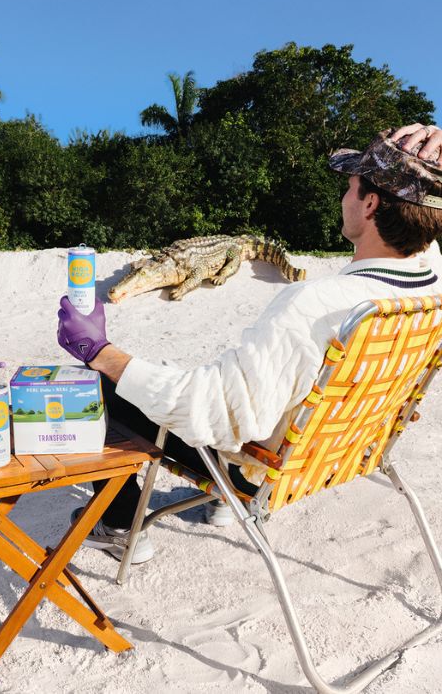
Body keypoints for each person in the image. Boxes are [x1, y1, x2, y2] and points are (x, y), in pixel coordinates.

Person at [56, 124, 442, 564]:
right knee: (255, 373)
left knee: (100, 383)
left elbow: (208, 410)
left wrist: (98, 350)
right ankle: (215, 501)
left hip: (268, 471)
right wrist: (428, 174)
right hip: (342, 452)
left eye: (351, 187)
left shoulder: (314, 306)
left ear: (370, 204)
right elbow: (425, 236)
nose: (343, 197)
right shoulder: (431, 287)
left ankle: (120, 525)